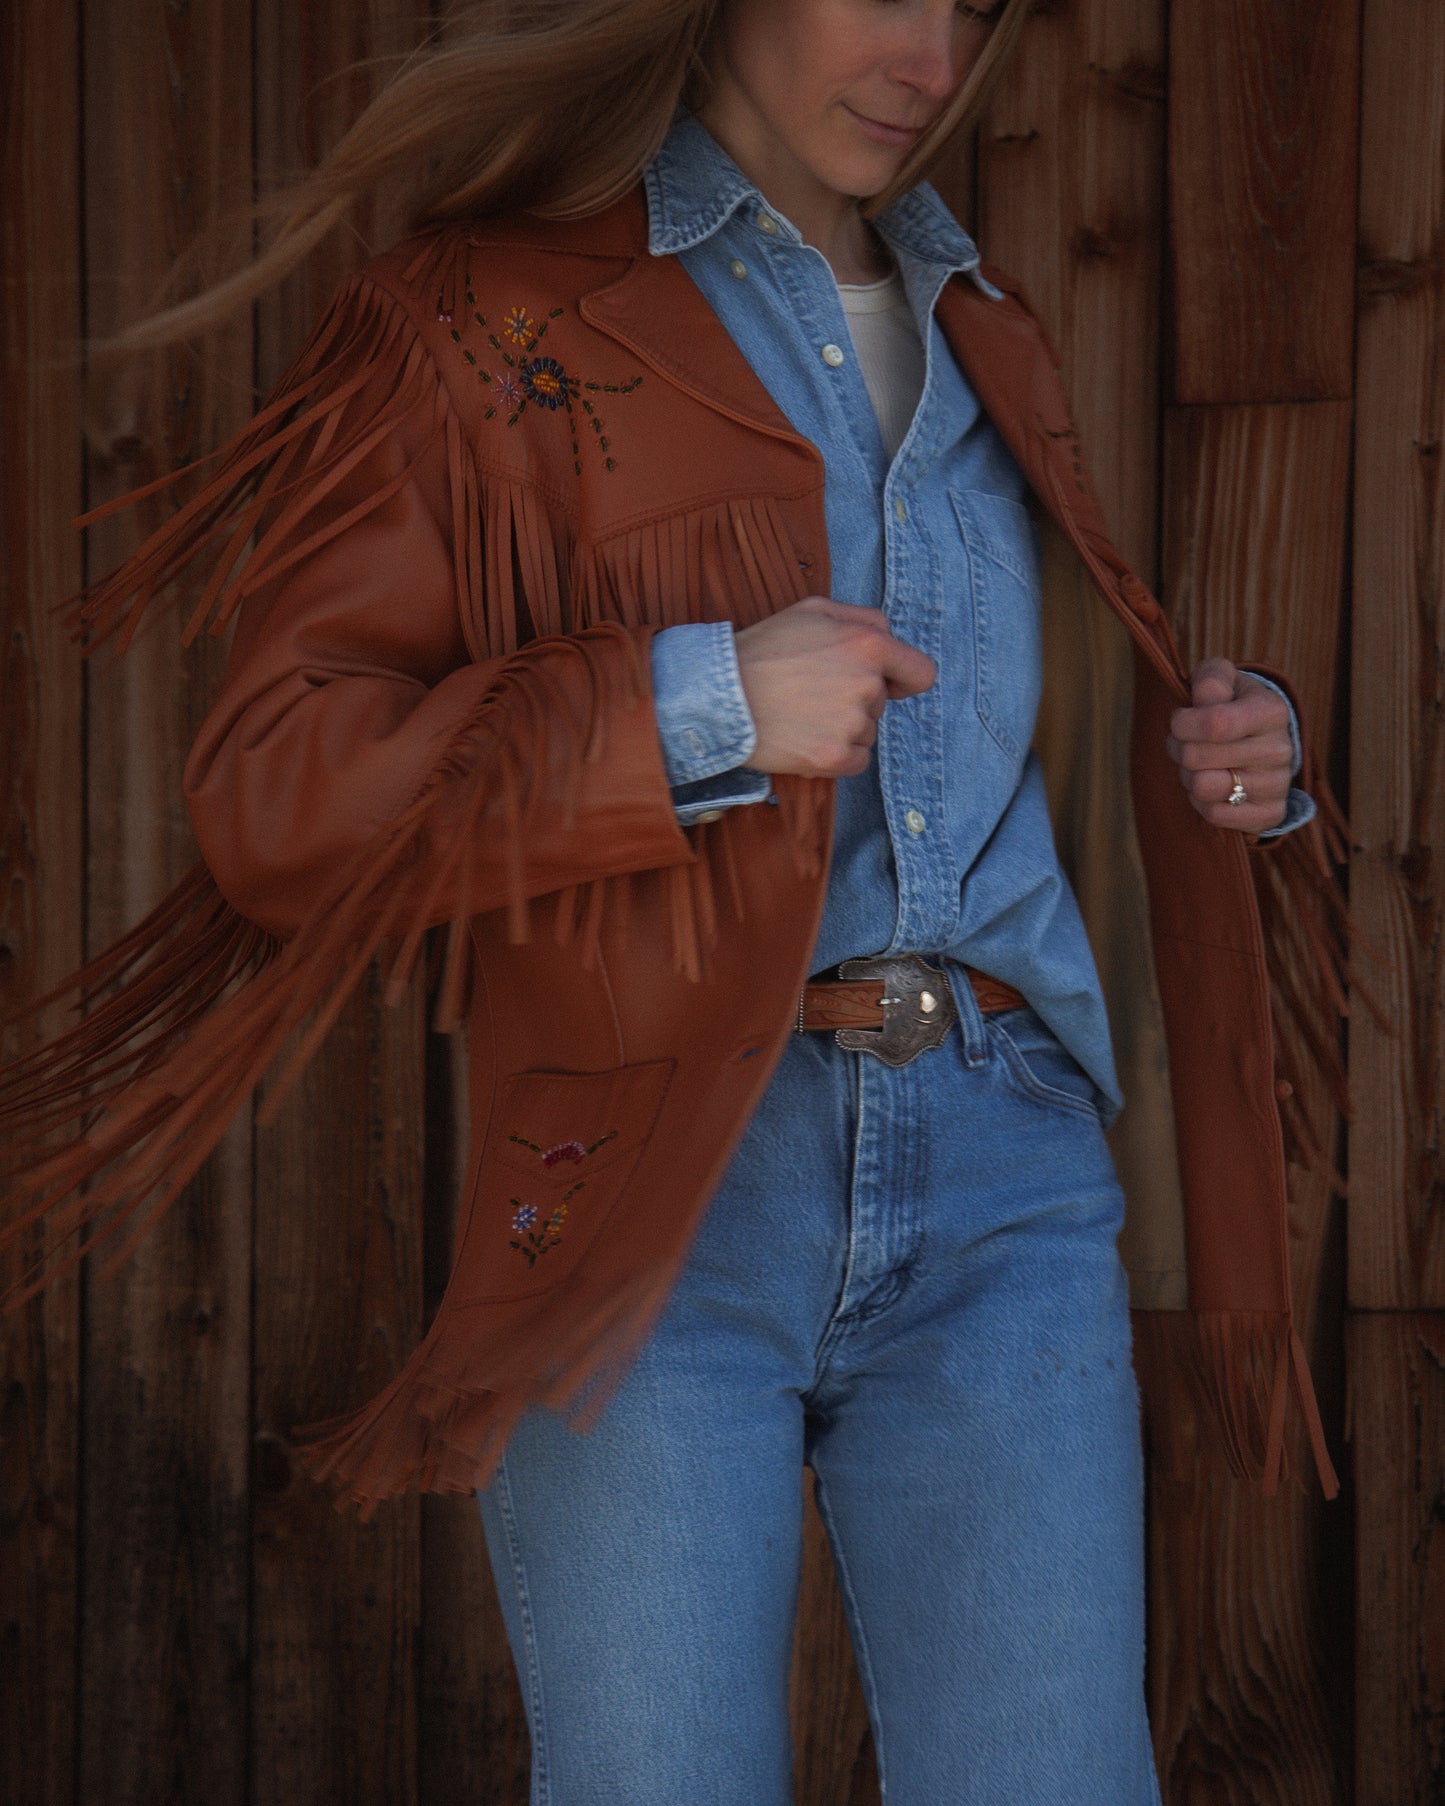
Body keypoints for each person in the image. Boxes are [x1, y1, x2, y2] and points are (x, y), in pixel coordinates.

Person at [2, 0, 1347, 1800]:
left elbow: (1002, 757)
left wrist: (1223, 756)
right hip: (656, 1188)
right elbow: (282, 788)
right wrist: (695, 703)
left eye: (969, 8)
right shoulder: (484, 323)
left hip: (1005, 1160)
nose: (932, 65)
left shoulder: (983, 323)